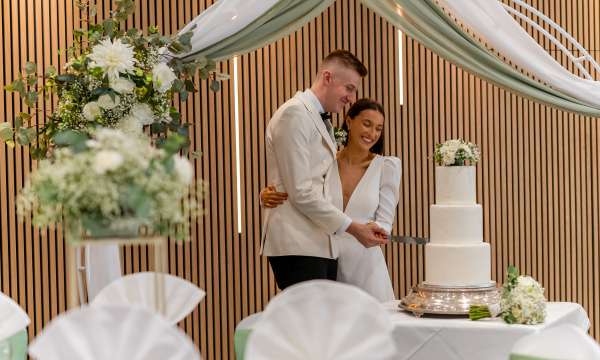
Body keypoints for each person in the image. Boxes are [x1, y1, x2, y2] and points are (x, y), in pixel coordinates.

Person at [261, 50, 389, 291]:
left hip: (320, 241)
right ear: (327, 77)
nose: (352, 98)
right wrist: (353, 227)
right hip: (298, 241)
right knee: (311, 325)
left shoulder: (320, 119)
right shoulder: (294, 114)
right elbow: (301, 191)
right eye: (349, 88)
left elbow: (317, 179)